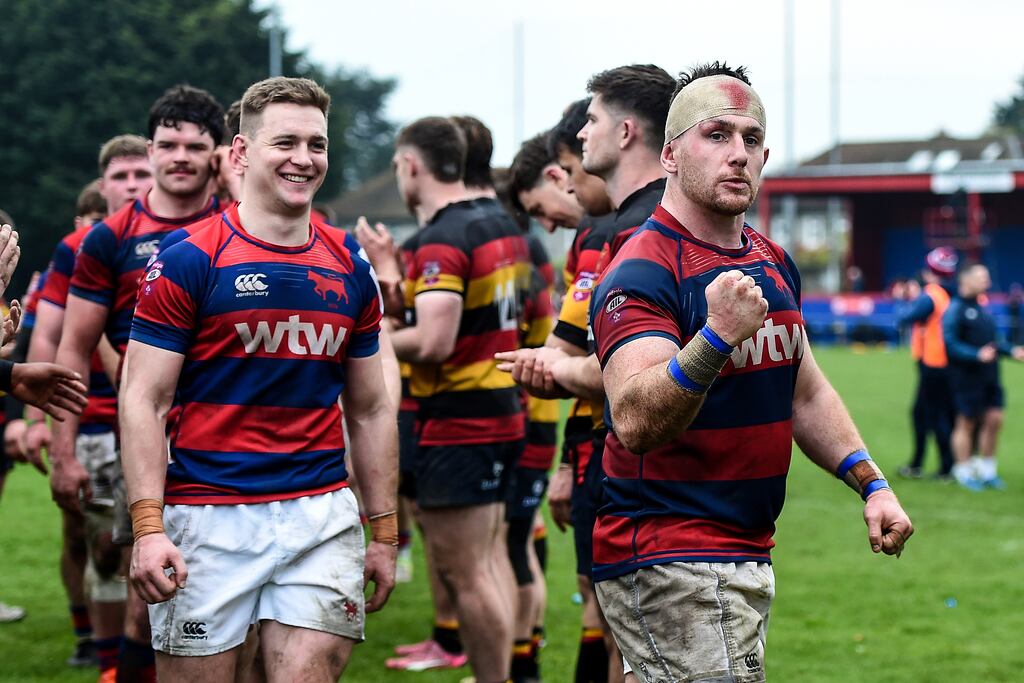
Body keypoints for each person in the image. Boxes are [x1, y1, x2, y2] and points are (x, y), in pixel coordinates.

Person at [587, 62, 913, 681]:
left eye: (751, 139)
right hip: (668, 551)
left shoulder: (771, 258)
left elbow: (807, 392)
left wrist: (873, 485)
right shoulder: (643, 269)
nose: (737, 154)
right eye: (716, 135)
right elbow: (633, 419)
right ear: (670, 156)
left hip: (744, 548)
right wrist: (715, 338)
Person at [120, 76, 398, 681]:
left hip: (320, 516)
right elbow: (143, 398)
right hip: (208, 518)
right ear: (242, 154)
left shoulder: (350, 264)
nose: (304, 159)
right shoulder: (189, 256)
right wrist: (147, 530)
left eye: (317, 145)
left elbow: (372, 409)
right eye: (286, 142)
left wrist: (384, 532)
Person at [51, 84, 225, 683]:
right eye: (168, 144)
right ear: (149, 150)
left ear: (218, 154)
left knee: (238, 604)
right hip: (147, 437)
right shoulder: (109, 238)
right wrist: (63, 453)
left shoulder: (241, 225)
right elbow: (72, 350)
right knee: (145, 599)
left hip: (228, 437)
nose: (180, 157)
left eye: (195, 146)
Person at [388, 115, 529, 683]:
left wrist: (365, 341)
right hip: (501, 409)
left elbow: (434, 339)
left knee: (465, 573)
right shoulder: (498, 220)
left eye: (400, 166)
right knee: (489, 563)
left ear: (413, 166)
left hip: (462, 420)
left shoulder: (444, 237)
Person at [24, 177, 126, 672]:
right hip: (82, 416)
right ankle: (87, 631)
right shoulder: (67, 259)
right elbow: (40, 342)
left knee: (121, 541)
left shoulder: (143, 249)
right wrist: (33, 420)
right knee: (79, 535)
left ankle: (125, 643)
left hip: (130, 417)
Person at [944, 264, 1024, 490]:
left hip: (990, 376)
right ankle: (963, 470)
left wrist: (1011, 351)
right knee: (966, 423)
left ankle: (988, 471)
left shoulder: (983, 308)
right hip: (967, 377)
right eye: (982, 277)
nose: (987, 282)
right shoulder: (956, 309)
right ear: (966, 280)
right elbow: (950, 344)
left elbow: (994, 342)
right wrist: (976, 354)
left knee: (994, 420)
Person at [897, 247, 958, 480]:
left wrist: (907, 298)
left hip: (933, 364)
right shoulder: (954, 293)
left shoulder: (930, 294)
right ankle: (929, 463)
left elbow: (905, 317)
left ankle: (943, 467)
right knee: (940, 414)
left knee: (930, 415)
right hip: (951, 364)